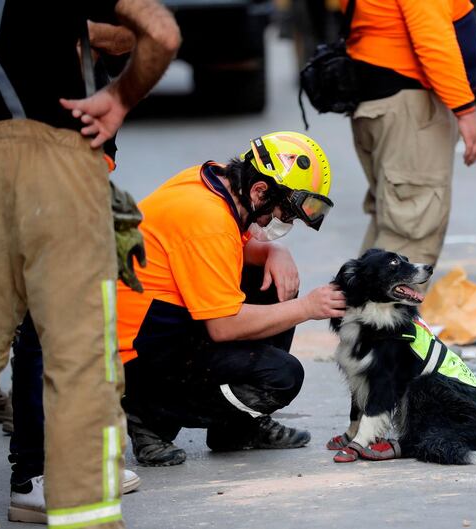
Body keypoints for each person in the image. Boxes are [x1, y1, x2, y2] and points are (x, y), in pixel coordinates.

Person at [0, 1, 179, 528]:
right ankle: (73, 506)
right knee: (76, 359)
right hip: (60, 158)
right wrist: (118, 95)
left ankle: (30, 476)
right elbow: (158, 34)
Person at [117, 132, 346, 466]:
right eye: (283, 214)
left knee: (273, 284)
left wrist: (273, 250)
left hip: (162, 328)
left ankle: (237, 428)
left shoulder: (213, 181)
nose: (284, 223)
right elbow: (223, 326)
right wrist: (306, 308)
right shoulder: (208, 219)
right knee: (283, 376)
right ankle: (148, 415)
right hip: (135, 358)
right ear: (259, 191)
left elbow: (226, 248)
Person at [344, 0, 476, 269]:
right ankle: (380, 311)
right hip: (408, 106)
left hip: (382, 101)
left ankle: (359, 308)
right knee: (413, 226)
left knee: (396, 221)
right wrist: (465, 110)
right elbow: (433, 39)